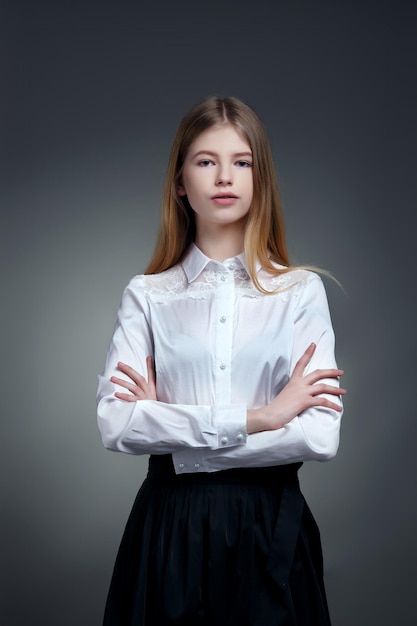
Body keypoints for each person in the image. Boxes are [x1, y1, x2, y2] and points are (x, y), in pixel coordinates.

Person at [97, 95, 345, 626]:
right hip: (170, 528)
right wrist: (264, 417)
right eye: (206, 161)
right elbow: (117, 423)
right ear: (180, 183)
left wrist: (176, 436)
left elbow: (320, 437)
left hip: (269, 523)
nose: (224, 176)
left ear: (261, 179)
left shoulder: (300, 292)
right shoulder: (147, 295)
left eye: (242, 161)